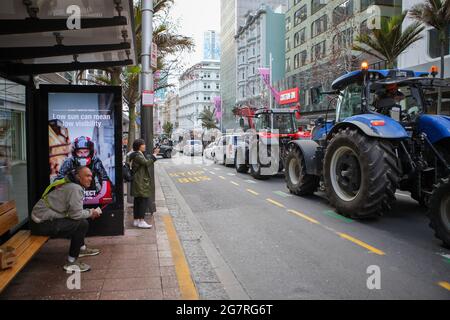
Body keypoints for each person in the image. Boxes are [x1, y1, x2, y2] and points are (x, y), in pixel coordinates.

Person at [31, 166, 102, 272]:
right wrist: (91, 213)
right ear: (78, 177)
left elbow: (73, 211)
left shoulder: (70, 184)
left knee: (82, 223)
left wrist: (88, 212)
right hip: (40, 224)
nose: (90, 178)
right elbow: (76, 215)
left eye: (91, 176)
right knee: (81, 224)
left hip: (39, 221)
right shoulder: (75, 188)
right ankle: (71, 262)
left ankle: (81, 249)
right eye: (87, 176)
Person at [127, 139, 160, 229]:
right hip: (140, 181)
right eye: (143, 144)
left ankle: (136, 220)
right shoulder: (138, 155)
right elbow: (146, 163)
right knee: (142, 201)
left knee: (137, 201)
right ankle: (141, 220)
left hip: (138, 181)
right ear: (139, 146)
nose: (144, 146)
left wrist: (152, 155)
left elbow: (145, 159)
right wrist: (155, 155)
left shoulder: (136, 154)